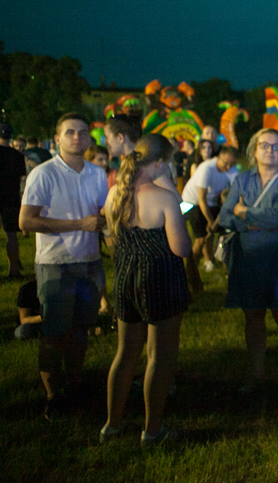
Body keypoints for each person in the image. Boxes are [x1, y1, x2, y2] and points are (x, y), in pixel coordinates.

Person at [100, 134, 191, 446]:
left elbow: (112, 237)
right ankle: (152, 430)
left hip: (126, 276)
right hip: (160, 279)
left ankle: (112, 424)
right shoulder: (164, 198)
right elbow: (181, 248)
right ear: (161, 163)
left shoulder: (115, 193)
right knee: (159, 357)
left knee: (125, 353)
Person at [19, 113, 109, 420]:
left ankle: (75, 384)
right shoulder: (44, 174)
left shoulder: (97, 173)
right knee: (54, 333)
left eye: (83, 132)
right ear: (57, 138)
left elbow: (101, 215)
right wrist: (79, 225)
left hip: (89, 261)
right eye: (70, 132)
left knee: (81, 330)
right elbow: (26, 221)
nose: (77, 137)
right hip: (56, 263)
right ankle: (52, 396)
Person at [218, 129, 278, 392]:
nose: (270, 150)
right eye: (264, 145)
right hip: (247, 259)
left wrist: (244, 211)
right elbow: (225, 216)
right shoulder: (242, 179)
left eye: (276, 146)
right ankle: (257, 374)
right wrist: (254, 222)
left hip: (277, 259)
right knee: (253, 317)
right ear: (254, 149)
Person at [181, 145, 238, 278]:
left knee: (225, 235)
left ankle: (223, 267)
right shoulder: (206, 168)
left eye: (232, 164)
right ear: (218, 158)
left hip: (213, 202)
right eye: (225, 163)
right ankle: (189, 271)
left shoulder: (233, 170)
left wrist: (216, 223)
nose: (228, 167)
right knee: (201, 238)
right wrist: (210, 221)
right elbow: (201, 198)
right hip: (192, 202)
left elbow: (232, 197)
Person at [1, 123, 27, 278]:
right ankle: (13, 269)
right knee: (11, 236)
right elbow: (22, 177)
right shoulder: (17, 155)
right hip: (11, 197)